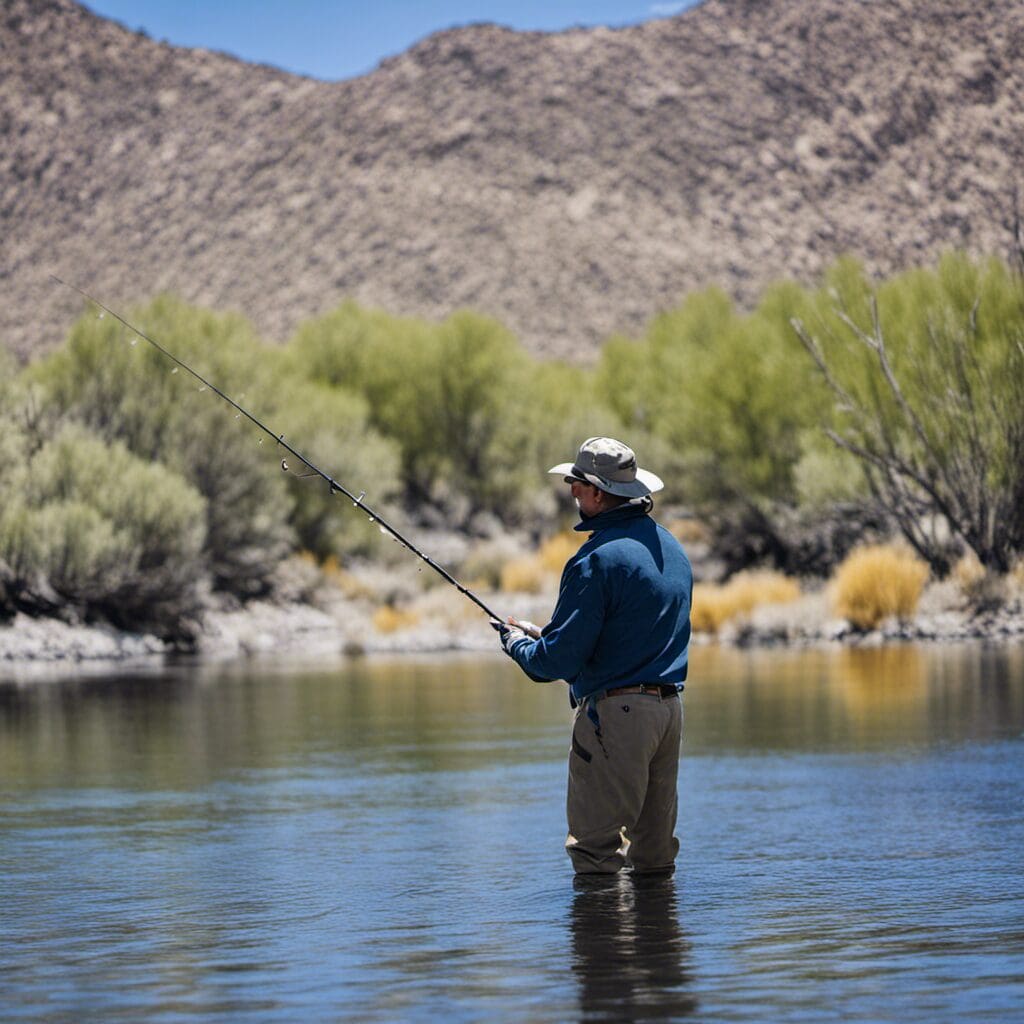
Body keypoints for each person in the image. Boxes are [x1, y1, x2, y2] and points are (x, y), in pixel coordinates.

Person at [495, 437, 693, 875]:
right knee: (654, 859)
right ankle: (660, 943)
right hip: (668, 713)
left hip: (617, 717)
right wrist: (547, 634)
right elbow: (630, 632)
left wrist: (518, 645)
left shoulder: (594, 560)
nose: (571, 491)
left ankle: (602, 945)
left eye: (577, 483)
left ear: (600, 493)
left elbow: (557, 663)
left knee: (595, 855)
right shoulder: (673, 550)